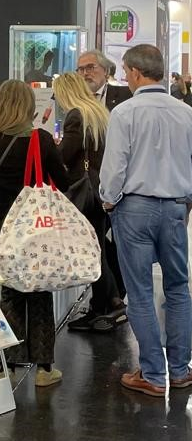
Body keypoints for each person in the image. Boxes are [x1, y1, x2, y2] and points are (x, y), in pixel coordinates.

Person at [100, 44, 192, 397]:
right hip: (175, 207)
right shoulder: (185, 112)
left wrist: (109, 200)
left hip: (135, 208)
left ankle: (153, 374)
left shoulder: (125, 112)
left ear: (136, 73)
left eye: (125, 71)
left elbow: (115, 166)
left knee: (139, 292)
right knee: (178, 288)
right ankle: (180, 370)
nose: (125, 77)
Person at [0, 80, 71, 386]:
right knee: (39, 294)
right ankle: (44, 369)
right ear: (28, 105)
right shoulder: (40, 140)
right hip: (36, 229)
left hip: (4, 227)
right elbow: (62, 182)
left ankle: (7, 366)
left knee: (10, 294)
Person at [54, 72, 125, 333]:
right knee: (99, 248)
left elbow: (65, 154)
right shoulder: (98, 112)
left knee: (93, 251)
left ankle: (107, 305)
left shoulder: (76, 115)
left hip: (84, 192)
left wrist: (53, 148)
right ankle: (109, 302)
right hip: (99, 191)